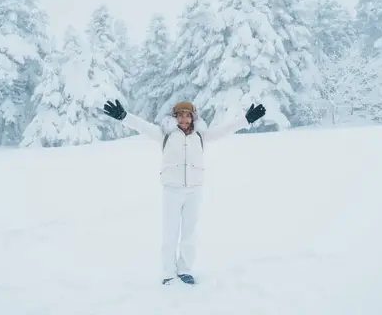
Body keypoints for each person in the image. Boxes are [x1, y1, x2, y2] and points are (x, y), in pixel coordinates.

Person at [103, 99, 266, 285]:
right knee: (170, 234)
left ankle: (184, 270)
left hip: (194, 191)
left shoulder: (201, 136)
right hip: (172, 191)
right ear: (174, 117)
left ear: (193, 117)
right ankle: (168, 273)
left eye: (187, 115)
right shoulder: (165, 135)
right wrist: (124, 117)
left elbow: (224, 130)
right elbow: (143, 126)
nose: (184, 118)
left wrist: (246, 120)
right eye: (180, 114)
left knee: (190, 234)